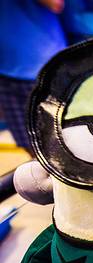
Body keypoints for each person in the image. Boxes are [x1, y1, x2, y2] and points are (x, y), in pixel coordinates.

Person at [0, 0, 67, 152]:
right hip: (5, 70)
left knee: (61, 140)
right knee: (28, 143)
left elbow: (55, 4)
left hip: (44, 67)